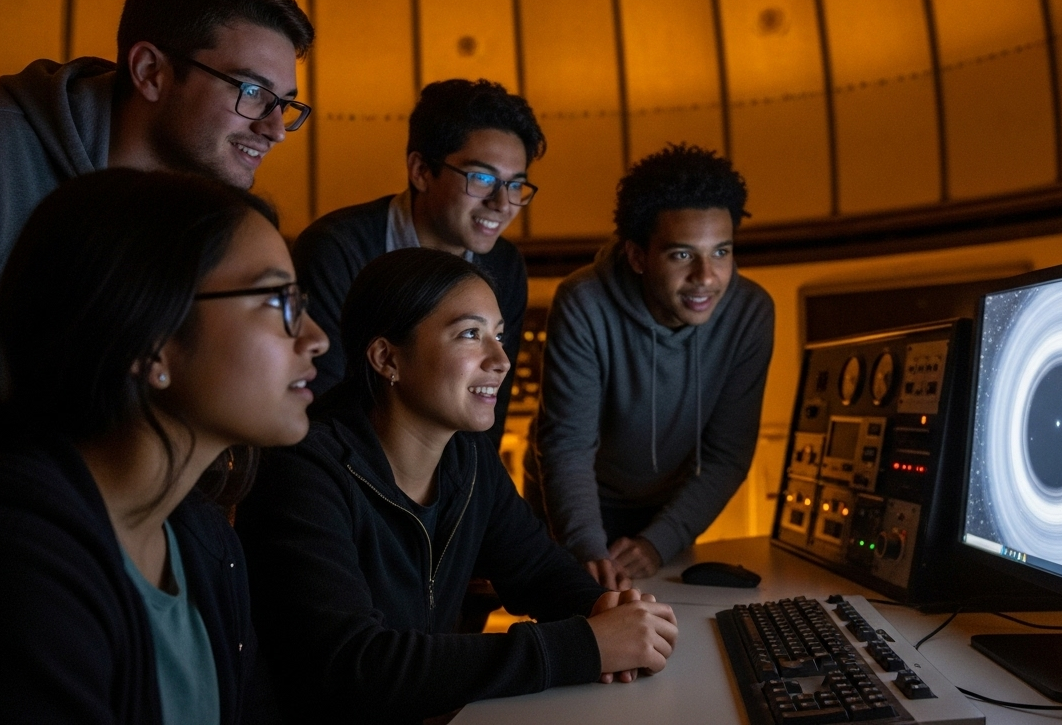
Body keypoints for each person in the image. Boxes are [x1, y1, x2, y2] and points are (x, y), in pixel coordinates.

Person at [0, 168, 329, 723]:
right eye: (277, 301)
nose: (316, 337)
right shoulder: (11, 561)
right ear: (149, 340)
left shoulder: (205, 543)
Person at [236, 248, 678, 724]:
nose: (502, 360)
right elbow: (354, 664)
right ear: (387, 358)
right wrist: (583, 646)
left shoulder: (468, 457)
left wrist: (608, 608)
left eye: (499, 336)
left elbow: (535, 569)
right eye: (470, 334)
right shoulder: (302, 469)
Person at [0, 0, 314, 446]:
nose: (275, 129)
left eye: (287, 104)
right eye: (253, 91)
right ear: (150, 71)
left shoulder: (215, 214)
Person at [525, 144, 776, 590]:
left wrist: (661, 541)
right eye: (682, 255)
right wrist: (587, 549)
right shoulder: (583, 302)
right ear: (637, 257)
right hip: (571, 500)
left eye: (721, 252)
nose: (706, 277)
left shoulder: (751, 312)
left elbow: (727, 454)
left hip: (665, 509)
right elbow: (567, 446)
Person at [293, 78, 541, 446]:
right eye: (482, 178)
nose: (502, 204)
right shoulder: (336, 249)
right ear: (421, 171)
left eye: (516, 185)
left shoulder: (504, 264)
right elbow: (319, 407)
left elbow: (489, 412)